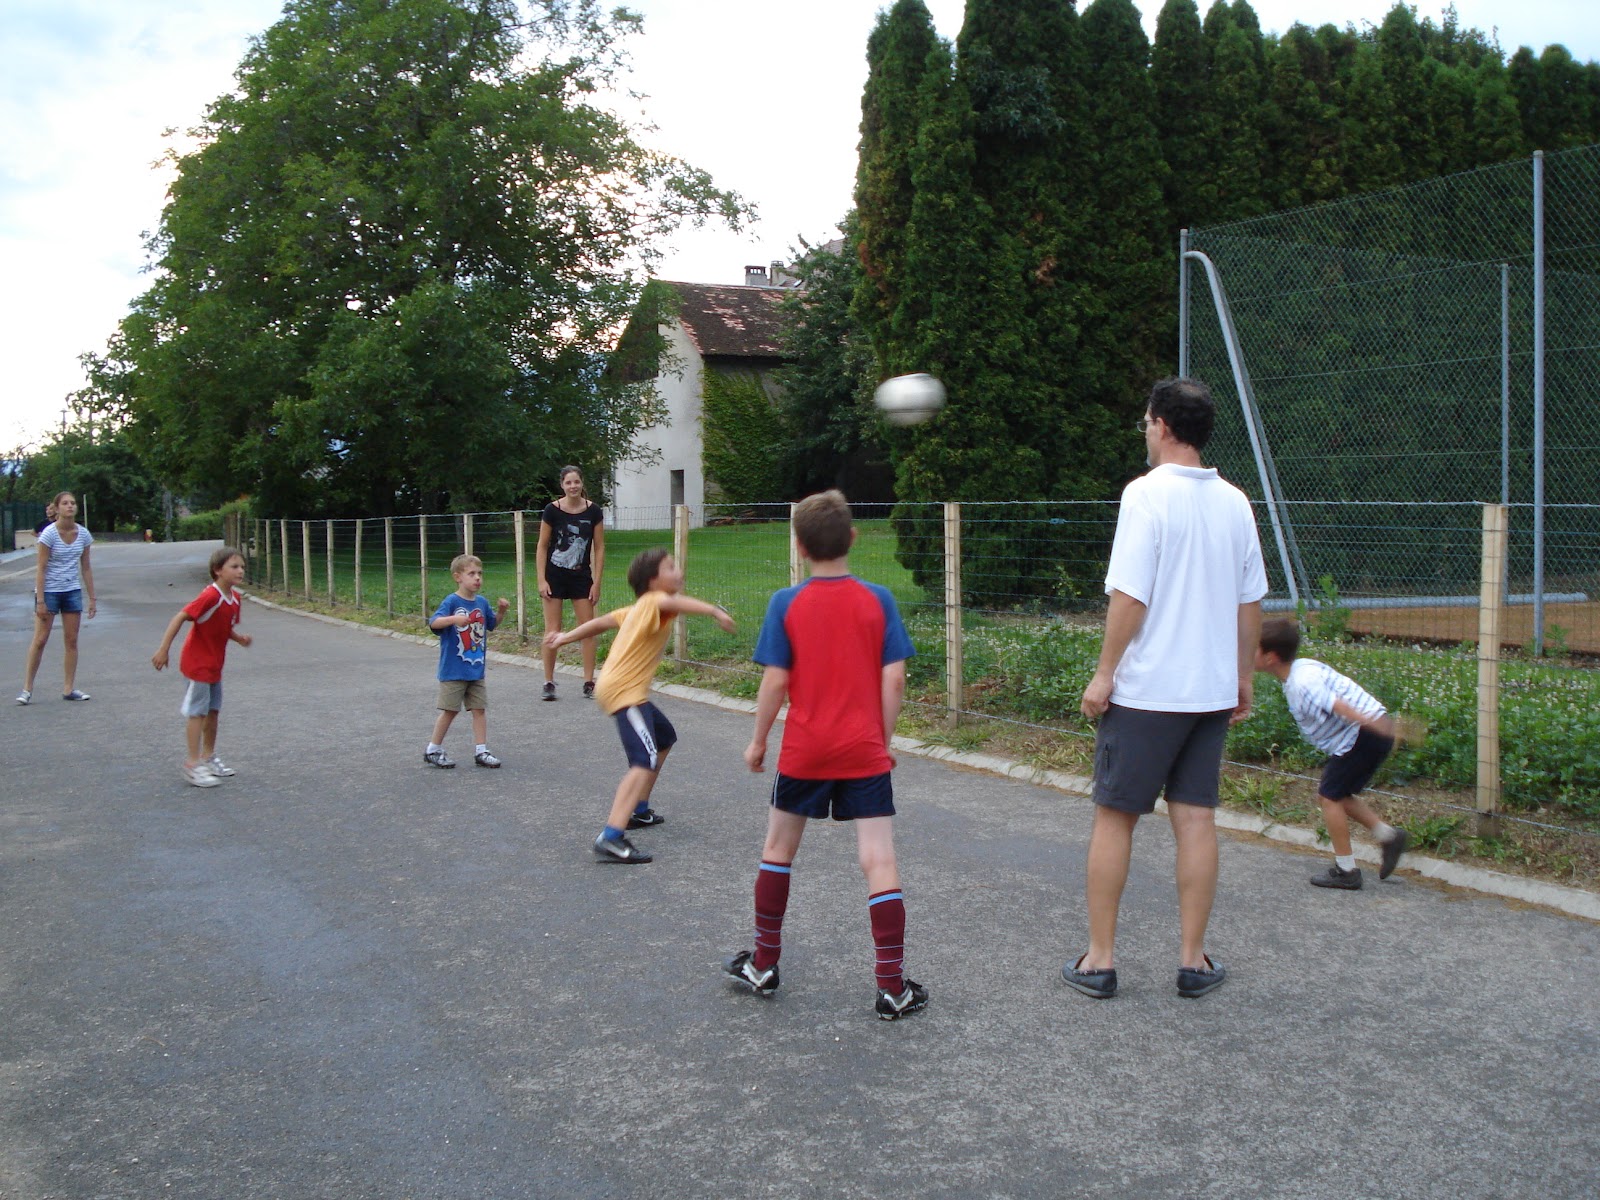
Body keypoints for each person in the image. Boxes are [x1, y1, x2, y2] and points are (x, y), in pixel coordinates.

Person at [1068, 377, 1268, 1001]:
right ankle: (1193, 960)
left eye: (1145, 422)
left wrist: (1105, 673)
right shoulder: (1236, 502)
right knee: (1197, 820)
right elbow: (1250, 600)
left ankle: (1099, 960)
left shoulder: (1144, 496)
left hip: (1148, 691)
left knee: (1115, 818)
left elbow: (1130, 594)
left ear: (1159, 424)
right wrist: (1241, 677)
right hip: (1207, 692)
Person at [723, 489, 926, 1021]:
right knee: (878, 860)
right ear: (853, 539)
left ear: (799, 545)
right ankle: (892, 987)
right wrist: (883, 741)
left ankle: (764, 963)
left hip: (805, 750)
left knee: (777, 849)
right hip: (863, 750)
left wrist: (759, 739)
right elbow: (896, 679)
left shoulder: (785, 603)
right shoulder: (878, 599)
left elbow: (775, 681)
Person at [546, 547, 734, 863]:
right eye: (670, 567)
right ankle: (612, 836)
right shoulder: (654, 602)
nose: (678, 571)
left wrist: (565, 637)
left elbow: (601, 622)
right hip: (624, 692)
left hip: (627, 690)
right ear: (653, 580)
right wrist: (714, 611)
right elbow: (671, 602)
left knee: (663, 738)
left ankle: (639, 809)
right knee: (642, 761)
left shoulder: (638, 609)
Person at [1255, 618, 1411, 889]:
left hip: (1364, 735)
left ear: (1270, 657)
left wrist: (1375, 724)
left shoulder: (1301, 683)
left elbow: (1336, 705)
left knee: (1329, 797)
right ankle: (1389, 836)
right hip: (1365, 734)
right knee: (1338, 795)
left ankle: (1346, 871)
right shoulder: (1302, 669)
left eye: (1252, 650)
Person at [151, 546, 253, 787]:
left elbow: (222, 627)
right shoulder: (210, 596)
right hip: (197, 663)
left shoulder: (234, 598)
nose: (240, 571)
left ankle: (208, 756)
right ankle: (192, 763)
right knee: (197, 711)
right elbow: (181, 616)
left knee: (213, 710)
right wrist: (163, 649)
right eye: (234, 566)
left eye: (242, 567)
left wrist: (238, 638)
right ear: (218, 571)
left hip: (215, 664)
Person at [421, 554, 511, 769]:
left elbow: (491, 624)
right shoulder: (452, 601)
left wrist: (501, 611)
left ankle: (482, 750)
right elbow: (434, 623)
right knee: (450, 710)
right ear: (458, 577)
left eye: (479, 574)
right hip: (453, 670)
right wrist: (453, 619)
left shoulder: (481, 602)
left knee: (479, 709)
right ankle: (433, 749)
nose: (477, 578)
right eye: (471, 574)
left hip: (475, 669)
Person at [19, 491, 96, 704]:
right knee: (41, 639)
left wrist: (92, 598)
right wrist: (41, 600)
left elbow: (86, 567)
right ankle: (27, 689)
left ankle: (69, 688)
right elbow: (41, 568)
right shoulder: (48, 535)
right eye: (65, 503)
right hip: (50, 591)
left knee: (71, 640)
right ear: (57, 508)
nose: (70, 506)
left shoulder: (83, 534)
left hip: (71, 591)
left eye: (73, 503)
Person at [536, 466, 605, 702]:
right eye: (568, 483)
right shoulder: (551, 511)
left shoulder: (593, 511)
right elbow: (542, 546)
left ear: (582, 483)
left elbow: (599, 547)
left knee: (588, 628)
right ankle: (548, 681)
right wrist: (541, 579)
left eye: (576, 482)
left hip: (581, 576)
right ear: (562, 485)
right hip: (555, 574)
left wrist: (596, 582)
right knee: (552, 630)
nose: (573, 486)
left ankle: (588, 681)